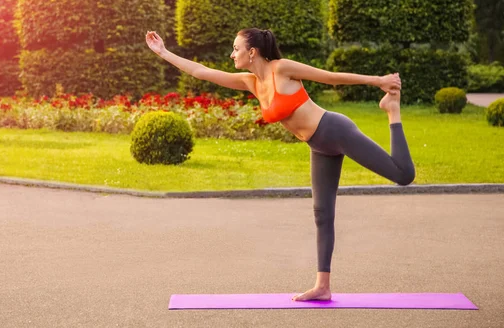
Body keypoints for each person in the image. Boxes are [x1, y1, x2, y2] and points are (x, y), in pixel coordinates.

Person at [145, 28, 415, 301]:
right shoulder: (251, 82)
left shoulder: (282, 69)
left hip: (335, 130)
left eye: (235, 48)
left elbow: (330, 77)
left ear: (252, 52)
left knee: (403, 175)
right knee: (322, 214)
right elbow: (200, 72)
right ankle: (323, 286)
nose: (231, 54)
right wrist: (164, 52)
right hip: (319, 146)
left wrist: (378, 80)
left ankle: (392, 110)